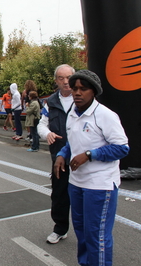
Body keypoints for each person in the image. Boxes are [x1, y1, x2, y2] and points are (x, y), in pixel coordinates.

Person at [54, 70, 129, 265]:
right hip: (76, 183)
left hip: (100, 184)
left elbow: (122, 148)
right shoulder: (72, 112)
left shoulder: (105, 115)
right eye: (74, 88)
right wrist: (63, 154)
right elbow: (74, 141)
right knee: (82, 232)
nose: (77, 93)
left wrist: (90, 155)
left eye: (83, 89)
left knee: (97, 236)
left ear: (93, 92)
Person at [37, 64, 75, 244]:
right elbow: (41, 124)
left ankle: (86, 232)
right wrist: (47, 134)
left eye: (69, 77)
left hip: (81, 158)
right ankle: (60, 228)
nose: (66, 82)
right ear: (56, 81)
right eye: (62, 78)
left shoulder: (82, 96)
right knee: (59, 195)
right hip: (58, 156)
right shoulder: (50, 102)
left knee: (82, 196)